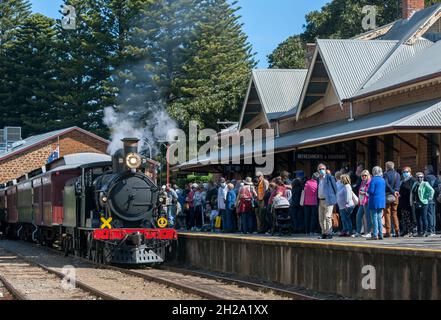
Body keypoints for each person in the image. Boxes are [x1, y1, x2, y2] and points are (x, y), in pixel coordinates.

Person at [316, 164, 338, 239]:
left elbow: (335, 188)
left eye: (322, 169)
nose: (321, 170)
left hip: (328, 200)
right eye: (320, 169)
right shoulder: (318, 179)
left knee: (328, 217)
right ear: (317, 170)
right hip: (320, 200)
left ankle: (329, 233)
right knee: (321, 218)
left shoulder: (329, 177)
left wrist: (334, 199)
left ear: (325, 170)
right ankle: (324, 233)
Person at [410, 172, 435, 237]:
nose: (420, 178)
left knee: (424, 217)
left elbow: (432, 190)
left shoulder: (425, 183)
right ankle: (419, 231)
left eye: (421, 177)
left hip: (424, 202)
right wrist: (412, 201)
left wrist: (429, 197)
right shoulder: (415, 183)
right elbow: (412, 192)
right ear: (416, 178)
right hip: (416, 203)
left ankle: (425, 231)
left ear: (423, 178)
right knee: (418, 218)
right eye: (418, 177)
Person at [368, 166, 386, 241]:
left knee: (374, 218)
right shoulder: (383, 180)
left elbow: (371, 191)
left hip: (374, 200)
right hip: (381, 200)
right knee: (379, 217)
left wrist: (367, 191)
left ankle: (375, 234)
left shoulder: (373, 180)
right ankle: (381, 234)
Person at [384, 161, 401, 238]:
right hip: (395, 196)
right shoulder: (397, 174)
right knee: (394, 213)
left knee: (387, 214)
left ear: (387, 167)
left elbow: (386, 185)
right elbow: (398, 185)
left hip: (388, 195)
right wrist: (395, 191)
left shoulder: (386, 174)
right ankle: (397, 231)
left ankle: (388, 232)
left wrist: (392, 191)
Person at [398, 167, 417, 237]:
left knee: (411, 217)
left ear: (410, 172)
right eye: (403, 172)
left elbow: (413, 190)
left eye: (406, 172)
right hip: (403, 202)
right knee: (404, 217)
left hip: (410, 201)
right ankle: (405, 230)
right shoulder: (403, 181)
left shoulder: (412, 180)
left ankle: (411, 231)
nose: (404, 173)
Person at [353, 170, 372, 238]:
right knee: (358, 216)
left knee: (368, 217)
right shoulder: (362, 182)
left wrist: (363, 193)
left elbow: (370, 193)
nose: (364, 176)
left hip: (367, 202)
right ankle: (358, 232)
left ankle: (369, 232)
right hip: (361, 202)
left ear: (368, 175)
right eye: (362, 175)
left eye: (365, 175)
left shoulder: (370, 182)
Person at [424, 165, 438, 237]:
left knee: (428, 214)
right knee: (432, 214)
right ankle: (433, 229)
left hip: (428, 198)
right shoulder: (435, 177)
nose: (424, 170)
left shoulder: (427, 178)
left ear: (428, 170)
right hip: (433, 199)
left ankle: (430, 230)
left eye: (425, 169)